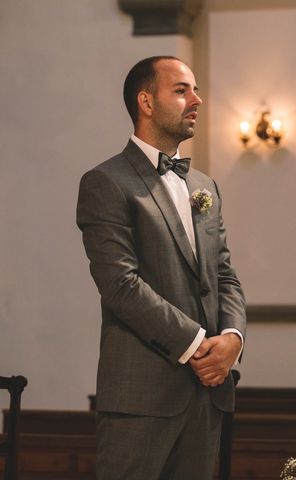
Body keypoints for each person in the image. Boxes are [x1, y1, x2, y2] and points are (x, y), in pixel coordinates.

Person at [76, 56, 246, 480]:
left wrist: (232, 338)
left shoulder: (205, 187)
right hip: (142, 398)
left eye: (196, 90)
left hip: (206, 395)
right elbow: (120, 284)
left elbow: (224, 274)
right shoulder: (107, 182)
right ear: (146, 102)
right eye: (182, 90)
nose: (197, 100)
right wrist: (197, 345)